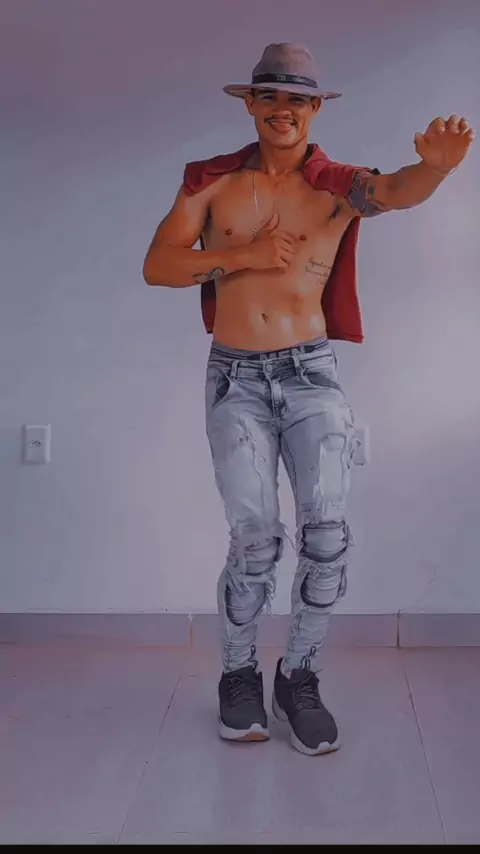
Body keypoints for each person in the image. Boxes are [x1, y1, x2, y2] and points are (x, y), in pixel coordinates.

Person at [143, 44, 475, 756]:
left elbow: (395, 191)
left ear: (315, 108)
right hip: (235, 380)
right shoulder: (211, 184)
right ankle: (238, 674)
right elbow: (159, 264)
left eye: (297, 99)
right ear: (250, 104)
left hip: (310, 374)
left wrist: (437, 170)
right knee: (255, 537)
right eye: (269, 97)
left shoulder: (337, 187)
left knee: (326, 536)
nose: (282, 110)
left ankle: (300, 677)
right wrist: (242, 256)